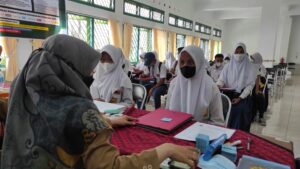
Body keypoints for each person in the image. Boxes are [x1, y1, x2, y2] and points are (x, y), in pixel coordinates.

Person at [1, 35, 199, 169]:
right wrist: (164, 150)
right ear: (70, 71)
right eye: (87, 70)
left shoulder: (23, 96)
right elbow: (110, 166)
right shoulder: (81, 111)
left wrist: (104, 121)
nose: (92, 74)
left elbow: (55, 121)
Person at [166, 46, 224, 126]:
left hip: (200, 135)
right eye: (182, 62)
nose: (185, 65)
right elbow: (167, 113)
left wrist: (196, 127)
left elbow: (218, 123)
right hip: (174, 130)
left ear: (199, 62)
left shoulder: (211, 87)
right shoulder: (174, 84)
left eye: (190, 62)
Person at [217, 43, 256, 132]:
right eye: (237, 52)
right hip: (227, 94)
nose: (238, 55)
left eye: (241, 52)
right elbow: (221, 80)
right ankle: (222, 132)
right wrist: (218, 85)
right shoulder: (227, 66)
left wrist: (240, 98)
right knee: (219, 108)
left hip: (242, 96)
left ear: (245, 53)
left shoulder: (249, 67)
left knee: (239, 111)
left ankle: (238, 134)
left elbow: (250, 85)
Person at [250, 52, 267, 126]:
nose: (252, 60)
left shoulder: (261, 67)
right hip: (249, 85)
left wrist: (257, 89)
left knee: (260, 97)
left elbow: (261, 78)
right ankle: (252, 115)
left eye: (253, 59)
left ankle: (261, 116)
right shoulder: (249, 66)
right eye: (251, 59)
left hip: (258, 85)